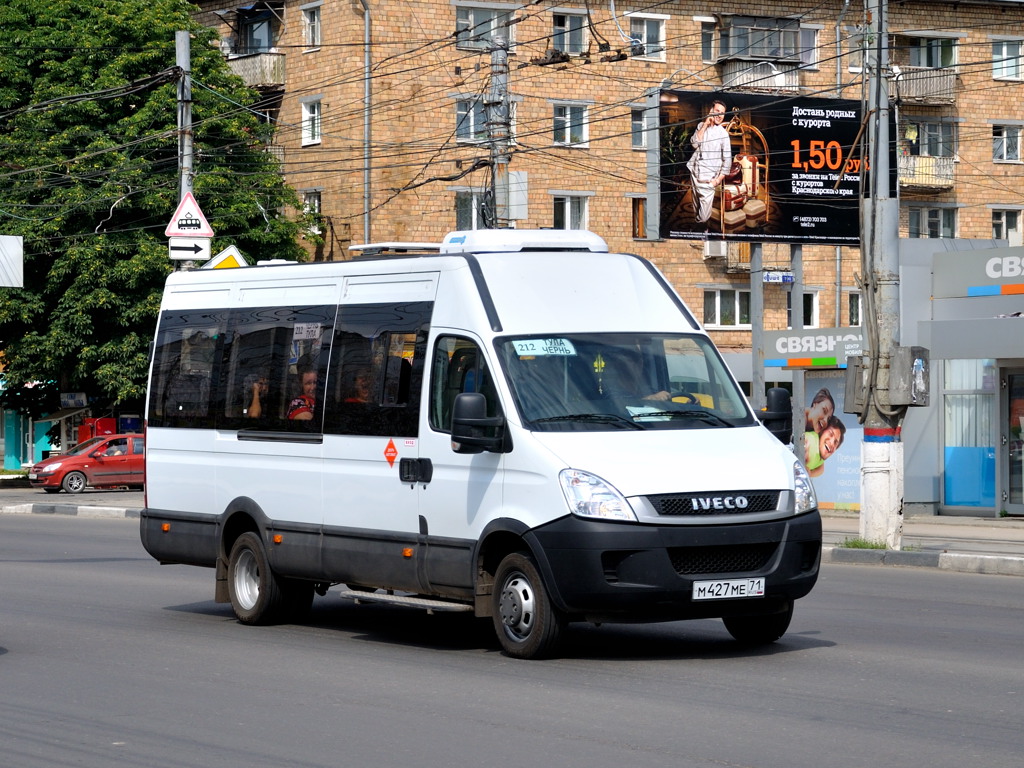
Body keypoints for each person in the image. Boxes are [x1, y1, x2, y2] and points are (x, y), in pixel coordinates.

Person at [686, 100, 731, 227]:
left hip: (708, 180)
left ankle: (700, 232)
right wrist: (705, 124)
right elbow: (694, 144)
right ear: (711, 111)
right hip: (694, 174)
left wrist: (717, 181)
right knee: (696, 209)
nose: (719, 115)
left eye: (722, 113)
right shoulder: (701, 126)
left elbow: (727, 161)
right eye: (717, 111)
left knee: (704, 216)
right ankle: (700, 234)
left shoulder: (724, 135)